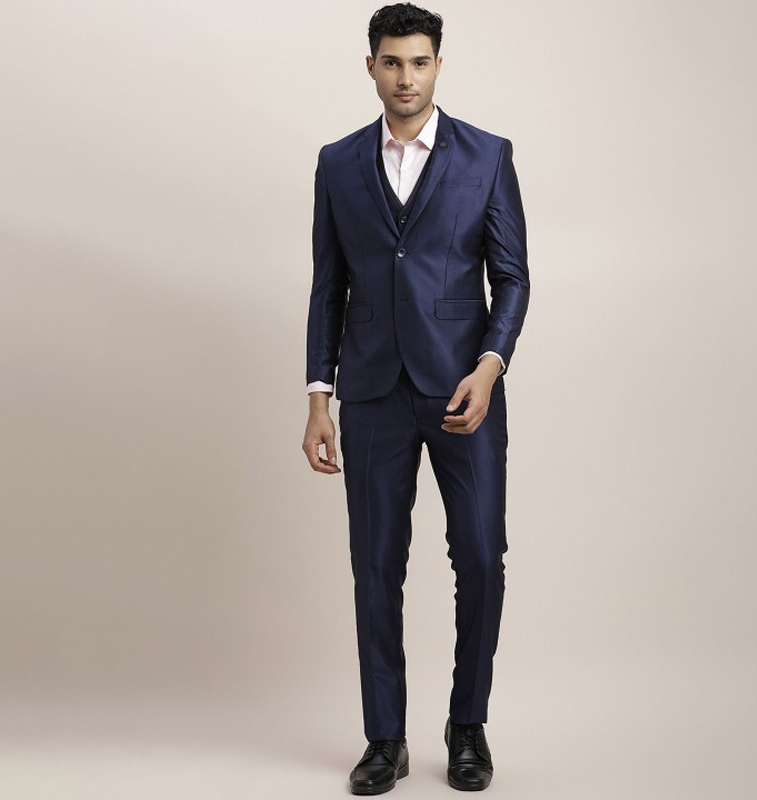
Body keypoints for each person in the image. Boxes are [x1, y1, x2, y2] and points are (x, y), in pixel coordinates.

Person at [302, 3, 529, 793]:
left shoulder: (486, 155)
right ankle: (384, 739)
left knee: (481, 557)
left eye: (420, 62)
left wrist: (490, 366)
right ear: (371, 66)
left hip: (466, 389)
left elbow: (512, 277)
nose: (407, 77)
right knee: (374, 566)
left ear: (439, 65)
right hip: (370, 393)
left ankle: (467, 726)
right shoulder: (337, 162)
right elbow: (327, 286)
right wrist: (319, 395)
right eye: (393, 62)